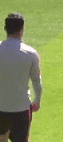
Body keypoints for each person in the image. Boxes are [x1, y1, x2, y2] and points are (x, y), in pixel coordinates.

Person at [0, 14, 41, 142]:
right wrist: (37, 100)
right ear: (22, 30)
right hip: (21, 108)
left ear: (5, 29)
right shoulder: (30, 53)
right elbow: (36, 81)